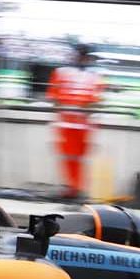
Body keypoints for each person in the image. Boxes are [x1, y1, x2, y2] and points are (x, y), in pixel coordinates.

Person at [47, 46, 104, 199]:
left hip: (79, 124)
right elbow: (54, 99)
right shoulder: (62, 73)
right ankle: (73, 188)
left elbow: (95, 102)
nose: (82, 59)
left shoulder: (94, 76)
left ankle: (75, 188)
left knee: (75, 158)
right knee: (69, 157)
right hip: (71, 124)